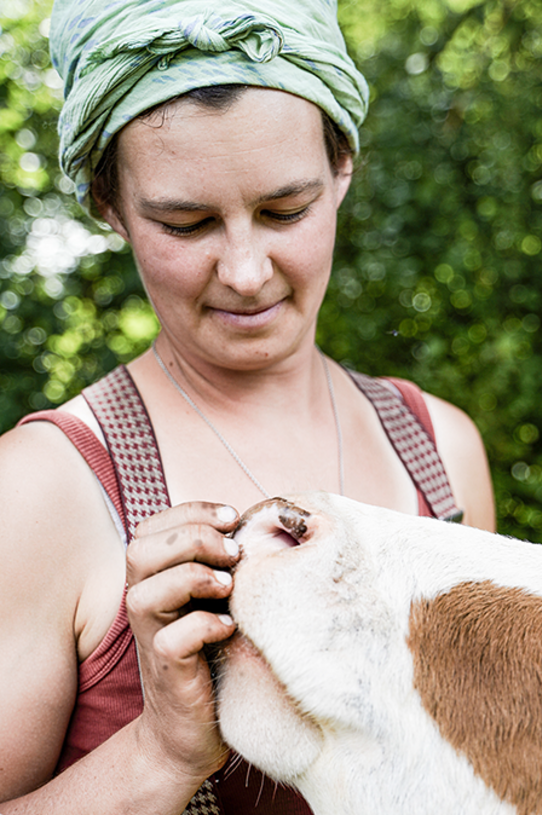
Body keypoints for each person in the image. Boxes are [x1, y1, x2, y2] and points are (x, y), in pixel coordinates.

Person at [0, 0, 495, 812]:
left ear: (342, 166)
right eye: (187, 223)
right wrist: (160, 752)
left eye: (284, 211)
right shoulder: (39, 488)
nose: (245, 271)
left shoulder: (440, 450)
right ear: (108, 204)